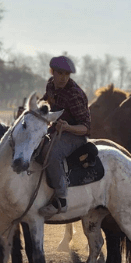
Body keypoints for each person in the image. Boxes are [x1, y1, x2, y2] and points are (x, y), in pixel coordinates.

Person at [37, 56, 90, 217]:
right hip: (55, 130)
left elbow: (86, 128)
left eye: (67, 74)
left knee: (52, 154)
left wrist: (68, 127)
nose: (63, 78)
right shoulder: (50, 85)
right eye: (60, 73)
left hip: (75, 136)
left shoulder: (74, 95)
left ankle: (61, 199)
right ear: (52, 72)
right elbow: (45, 102)